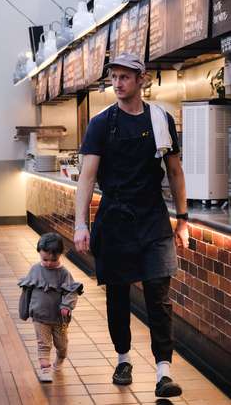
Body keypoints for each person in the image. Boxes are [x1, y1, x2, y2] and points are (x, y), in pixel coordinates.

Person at [74, 53, 188, 398]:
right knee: (119, 296)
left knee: (159, 294)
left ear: (142, 80)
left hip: (153, 218)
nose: (118, 83)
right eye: (114, 77)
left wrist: (182, 219)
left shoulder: (160, 119)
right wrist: (81, 224)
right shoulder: (100, 123)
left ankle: (163, 371)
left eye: (125, 77)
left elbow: (175, 172)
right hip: (114, 219)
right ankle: (123, 358)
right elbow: (87, 177)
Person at [18, 232, 83, 383]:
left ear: (60, 254)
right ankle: (45, 371)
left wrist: (67, 306)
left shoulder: (63, 273)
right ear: (39, 253)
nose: (48, 263)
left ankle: (60, 359)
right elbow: (26, 291)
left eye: (53, 260)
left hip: (60, 319)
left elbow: (71, 291)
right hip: (40, 317)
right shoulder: (35, 270)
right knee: (43, 344)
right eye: (44, 259)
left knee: (62, 345)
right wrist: (24, 311)